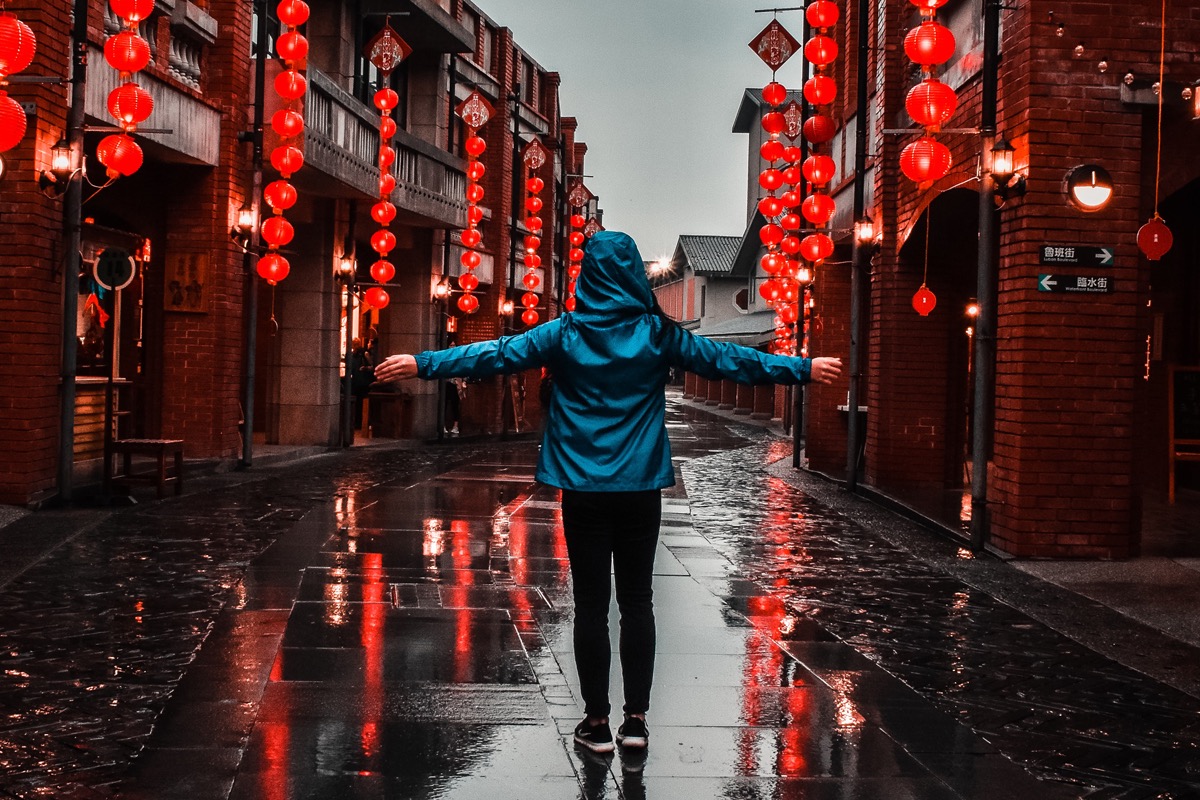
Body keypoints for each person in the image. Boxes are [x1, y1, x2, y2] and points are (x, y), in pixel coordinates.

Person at [376, 231, 841, 755]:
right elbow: (726, 360)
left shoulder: (565, 333)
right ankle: (636, 723)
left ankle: (596, 723)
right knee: (638, 601)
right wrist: (801, 368)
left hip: (583, 487)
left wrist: (423, 362)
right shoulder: (658, 333)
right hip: (639, 485)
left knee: (593, 606)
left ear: (586, 275)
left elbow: (498, 354)